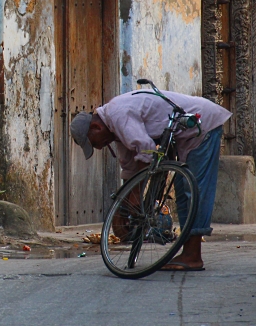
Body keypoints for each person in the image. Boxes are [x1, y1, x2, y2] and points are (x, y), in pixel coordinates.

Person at [70, 88, 231, 271]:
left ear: (96, 127)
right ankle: (189, 252)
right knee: (182, 191)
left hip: (203, 124)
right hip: (185, 137)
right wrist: (123, 207)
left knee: (193, 189)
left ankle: (193, 255)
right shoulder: (115, 128)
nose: (99, 148)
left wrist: (137, 195)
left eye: (95, 143)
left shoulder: (117, 114)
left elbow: (146, 150)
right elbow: (130, 169)